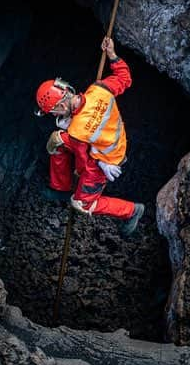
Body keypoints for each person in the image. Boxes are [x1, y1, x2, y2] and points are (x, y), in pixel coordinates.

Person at [35, 37, 144, 236]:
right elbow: (124, 78)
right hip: (112, 139)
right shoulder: (98, 90)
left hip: (105, 159)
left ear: (61, 105)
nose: (55, 116)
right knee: (58, 141)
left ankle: (132, 211)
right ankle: (60, 187)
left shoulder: (78, 131)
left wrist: (83, 177)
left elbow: (83, 159)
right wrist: (112, 54)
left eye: (54, 112)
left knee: (81, 203)